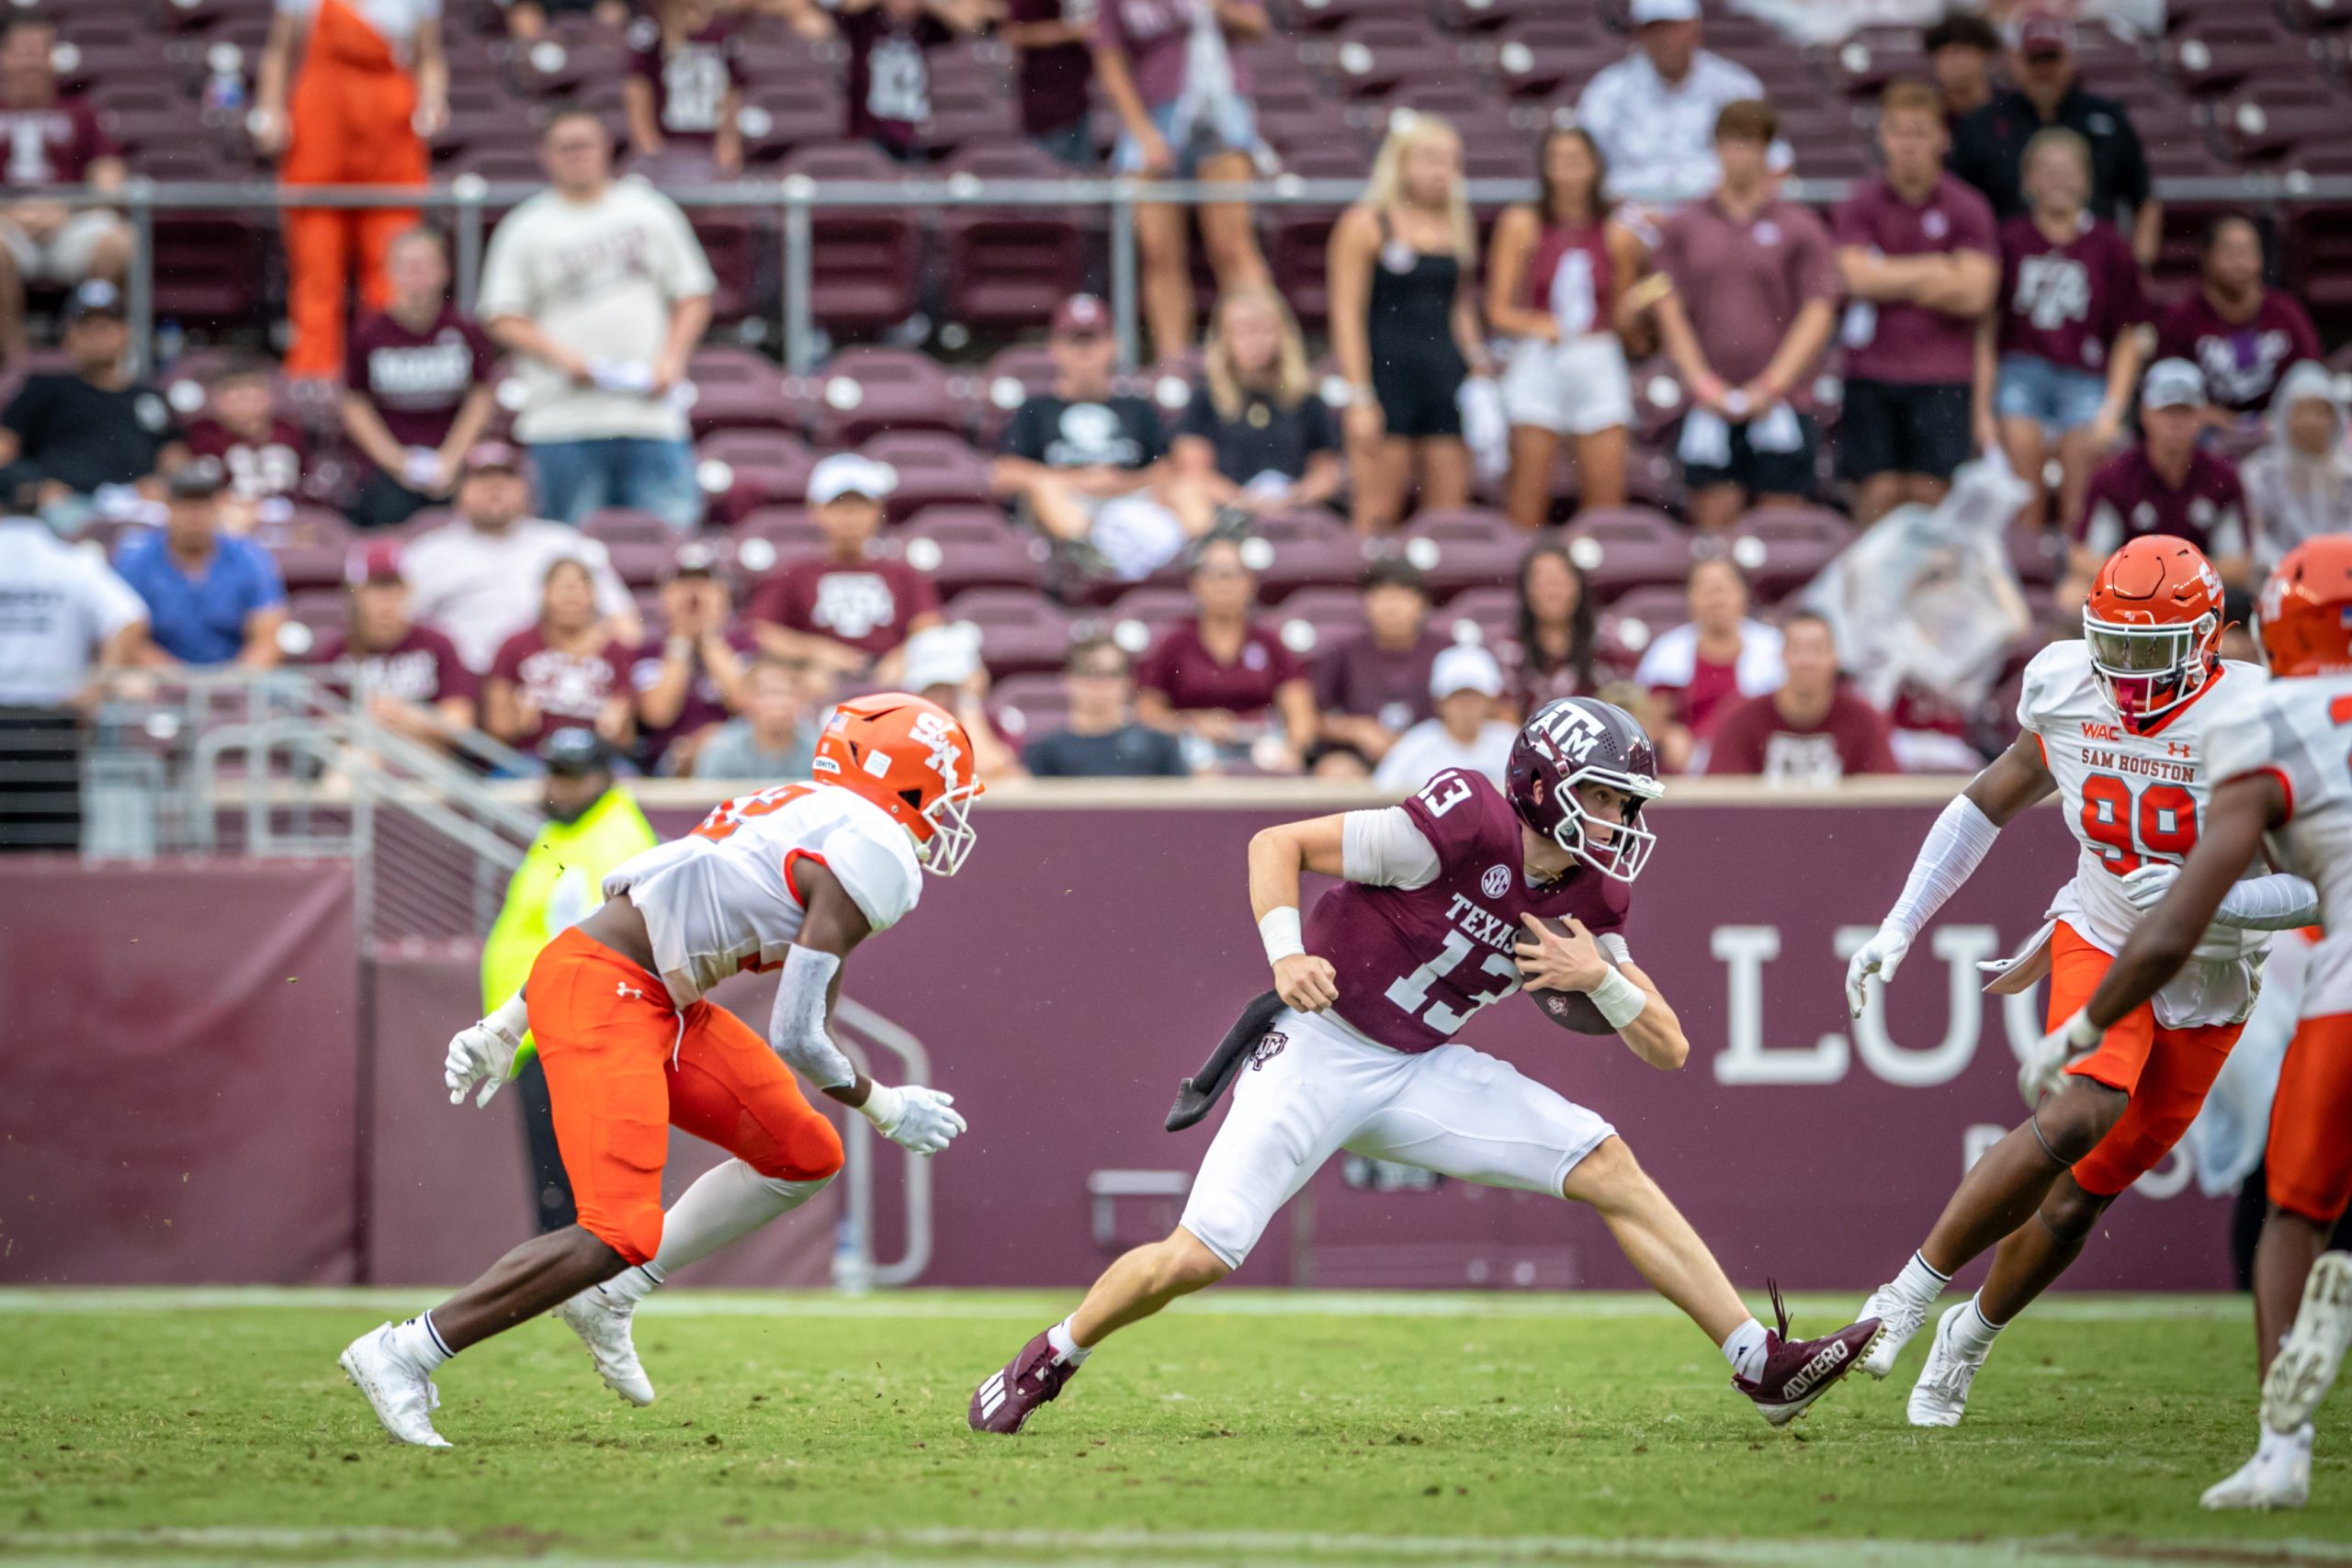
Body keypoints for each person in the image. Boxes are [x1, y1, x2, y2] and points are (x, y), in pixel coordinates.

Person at [967, 696, 1881, 1436]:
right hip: (1318, 1050)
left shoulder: (1592, 895)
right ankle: (1053, 1353)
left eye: (1627, 803)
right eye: (1604, 797)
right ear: (1543, 784)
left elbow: (1669, 1047)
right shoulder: (1458, 824)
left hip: (1417, 1067)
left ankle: (1758, 1363)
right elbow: (1273, 846)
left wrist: (1599, 975)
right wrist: (1286, 955)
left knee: (1608, 1165)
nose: (1619, 820)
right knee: (1196, 1257)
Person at [344, 694, 979, 1444]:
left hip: (646, 992)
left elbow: (641, 900)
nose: (945, 813)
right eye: (939, 790)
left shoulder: (803, 809)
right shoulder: (871, 848)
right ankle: (405, 1349)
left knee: (804, 1153)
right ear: (901, 779)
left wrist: (506, 1019)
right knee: (618, 1227)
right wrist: (885, 1106)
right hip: (609, 990)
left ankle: (612, 1295)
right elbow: (800, 1036)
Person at [1845, 535, 2310, 1430]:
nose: (2127, 673)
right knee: (2076, 1110)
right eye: (2115, 647)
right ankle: (1905, 1294)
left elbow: (2322, 884)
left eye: (2150, 653)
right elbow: (1986, 800)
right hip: (2098, 931)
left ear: (2207, 642)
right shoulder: (2066, 685)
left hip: (2208, 977)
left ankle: (1967, 1340)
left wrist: (2208, 904)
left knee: (2080, 1195)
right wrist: (1899, 924)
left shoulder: (2255, 717)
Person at [2045, 541, 2352, 1509]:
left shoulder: (2270, 717)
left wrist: (2084, 1020)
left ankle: (2282, 1448)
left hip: (2339, 989)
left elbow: (2181, 916)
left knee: (2292, 1212)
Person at [476, 107, 715, 532]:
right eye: (565, 147)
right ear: (545, 155)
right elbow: (501, 313)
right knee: (569, 549)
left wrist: (673, 360)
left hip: (650, 415)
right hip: (563, 418)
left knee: (668, 541)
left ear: (607, 148)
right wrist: (562, 357)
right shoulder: (526, 226)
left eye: (585, 144)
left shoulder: (648, 210)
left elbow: (693, 294)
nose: (577, 155)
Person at [481, 728, 661, 1235]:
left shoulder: (613, 838)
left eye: (573, 775)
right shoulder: (565, 832)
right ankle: (579, 1293)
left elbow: (605, 946)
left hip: (576, 1033)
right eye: (554, 771)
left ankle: (594, 1292)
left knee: (574, 1196)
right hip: (541, 1031)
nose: (559, 784)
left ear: (602, 777)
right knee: (557, 1189)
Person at [1650, 102, 1840, 533]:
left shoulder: (1800, 226)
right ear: (1716, 148)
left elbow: (1817, 310)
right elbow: (1669, 308)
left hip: (1784, 402)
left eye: (1750, 143)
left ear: (1767, 150)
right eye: (1731, 142)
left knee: (1782, 537)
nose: (1739, 154)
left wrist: (1771, 385)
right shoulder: (1684, 225)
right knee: (1713, 531)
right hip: (1707, 403)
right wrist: (1702, 382)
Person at [1833, 81, 1999, 525]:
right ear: (1883, 137)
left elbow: (1978, 292)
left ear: (1942, 137)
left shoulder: (1968, 207)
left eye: (1920, 131)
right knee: (1877, 493)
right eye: (1899, 131)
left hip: (1943, 375)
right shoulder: (1860, 204)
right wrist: (1942, 269)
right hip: (1871, 373)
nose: (1909, 143)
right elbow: (1854, 276)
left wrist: (1888, 274)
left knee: (1933, 495)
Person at [254, 0, 447, 381]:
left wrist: (433, 102)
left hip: (389, 136)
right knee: (316, 270)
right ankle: (312, 377)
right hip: (320, 135)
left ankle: (387, 370)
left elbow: (429, 57)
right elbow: (279, 52)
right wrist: (270, 110)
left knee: (391, 266)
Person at [1979, 127, 2150, 534]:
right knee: (2022, 475)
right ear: (2029, 180)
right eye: (2047, 170)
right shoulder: (2010, 239)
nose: (2058, 180)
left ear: (2086, 180)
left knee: (2083, 478)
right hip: (2021, 369)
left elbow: (2130, 335)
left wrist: (2113, 408)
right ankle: (2030, 571)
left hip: (2085, 376)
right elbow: (1987, 330)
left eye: (2068, 170)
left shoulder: (2110, 246)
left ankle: (2074, 578)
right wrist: (1983, 413)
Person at [1329, 114, 1493, 535]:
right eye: (1432, 159)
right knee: (1377, 513)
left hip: (1444, 378)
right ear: (1400, 163)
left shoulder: (1457, 224)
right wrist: (1359, 395)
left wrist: (1478, 364)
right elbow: (1345, 314)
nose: (1443, 172)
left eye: (1452, 162)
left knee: (1449, 518)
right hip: (1387, 380)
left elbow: (1459, 306)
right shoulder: (1365, 223)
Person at [1094, 0, 1272, 365]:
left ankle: (1261, 361)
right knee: (1160, 252)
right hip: (1154, 115)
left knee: (1233, 246)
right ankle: (1171, 364)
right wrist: (1144, 135)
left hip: (1222, 112)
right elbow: (1109, 63)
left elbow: (1257, 26)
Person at [1487, 127, 1645, 528]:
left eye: (1576, 160)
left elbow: (1623, 317)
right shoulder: (1522, 223)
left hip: (1597, 352)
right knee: (1528, 485)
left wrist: (1635, 317)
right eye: (1558, 160)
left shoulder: (1618, 233)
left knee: (1606, 489)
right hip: (1541, 352)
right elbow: (1499, 309)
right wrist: (1538, 323)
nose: (1568, 171)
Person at [0, 463, 148, 852]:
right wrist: (98, 684)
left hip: (31, 714)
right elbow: (129, 618)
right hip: (51, 725)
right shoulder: (72, 563)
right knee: (51, 865)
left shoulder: (72, 561)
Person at [1950, 4, 2158, 267]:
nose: (2043, 70)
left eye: (2052, 57)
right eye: (2034, 59)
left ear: (2071, 57)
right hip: (2007, 271)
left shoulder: (2108, 118)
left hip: (2095, 270)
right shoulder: (1982, 124)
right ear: (2014, 59)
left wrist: (2136, 268)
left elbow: (2145, 199)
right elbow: (1955, 202)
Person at [401, 444, 638, 672]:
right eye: (482, 478)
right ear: (460, 489)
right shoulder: (426, 553)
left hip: (549, 683)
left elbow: (626, 626)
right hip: (461, 683)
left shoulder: (564, 543)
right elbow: (392, 632)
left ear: (527, 488)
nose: (495, 487)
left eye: (507, 478)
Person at [991, 295, 1181, 581]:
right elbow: (1003, 473)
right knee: (1045, 487)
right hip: (1069, 505)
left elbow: (1168, 468)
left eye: (1092, 340)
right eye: (1074, 341)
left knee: (1186, 488)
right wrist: (1075, 481)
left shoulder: (1137, 408)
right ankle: (1088, 550)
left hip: (1130, 503)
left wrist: (1120, 483)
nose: (1084, 351)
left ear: (1112, 345)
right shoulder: (1036, 409)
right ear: (1055, 348)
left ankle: (1195, 555)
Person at [343, 228, 500, 529]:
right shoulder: (368, 332)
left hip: (456, 466)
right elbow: (354, 401)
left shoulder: (466, 330)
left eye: (425, 264)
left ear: (445, 271)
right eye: (406, 265)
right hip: (388, 471)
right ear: (389, 271)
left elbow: (480, 396)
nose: (416, 274)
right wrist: (396, 461)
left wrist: (452, 459)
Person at [0, 281, 187, 535]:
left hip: (136, 509)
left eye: (108, 324)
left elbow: (174, 457)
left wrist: (166, 484)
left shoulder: (149, 397)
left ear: (127, 331)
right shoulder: (43, 388)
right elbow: (4, 449)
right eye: (86, 325)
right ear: (68, 336)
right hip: (64, 510)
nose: (99, 333)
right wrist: (32, 485)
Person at [2060, 360, 2250, 606]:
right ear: (2145, 414)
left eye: (2185, 411)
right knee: (2071, 596)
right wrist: (2149, 583)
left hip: (2197, 595)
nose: (2175, 421)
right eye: (2166, 410)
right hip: (2128, 592)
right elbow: (2083, 556)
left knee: (2249, 600)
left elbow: (2239, 565)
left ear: (2202, 415)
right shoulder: (2113, 476)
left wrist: (2170, 584)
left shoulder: (2223, 478)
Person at [0, 13, 130, 367]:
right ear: (3, 55)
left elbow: (109, 179)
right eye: (23, 51)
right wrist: (11, 213)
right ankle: (16, 363)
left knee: (117, 245)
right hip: (5, 223)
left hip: (70, 218)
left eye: (41, 50)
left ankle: (91, 361)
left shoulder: (81, 113)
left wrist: (68, 208)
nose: (32, 61)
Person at [748, 453, 940, 682]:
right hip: (819, 680)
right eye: (838, 506)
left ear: (878, 511)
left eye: (859, 506)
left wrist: (902, 657)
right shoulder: (796, 574)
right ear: (815, 510)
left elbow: (928, 626)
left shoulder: (903, 574)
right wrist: (814, 651)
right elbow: (762, 632)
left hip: (890, 680)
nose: (849, 517)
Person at [1134, 536, 1317, 773]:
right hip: (1194, 752)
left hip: (1260, 748)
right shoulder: (1174, 645)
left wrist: (1292, 749)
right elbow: (1147, 713)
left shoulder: (1270, 643)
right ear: (1196, 582)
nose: (1225, 583)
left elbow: (1300, 712)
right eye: (1214, 573)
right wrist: (1193, 724)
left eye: (1234, 573)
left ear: (1250, 583)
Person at [1166, 289, 1342, 533]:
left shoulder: (1307, 399)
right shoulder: (1205, 399)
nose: (1253, 340)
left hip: (1294, 511)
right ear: (1223, 338)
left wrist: (1293, 496)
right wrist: (1244, 501)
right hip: (1227, 513)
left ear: (1283, 334)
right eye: (1241, 330)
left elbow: (1327, 472)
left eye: (1262, 329)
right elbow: (1193, 473)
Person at [1574, 0, 1775, 209]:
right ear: (1638, 33)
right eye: (1653, 29)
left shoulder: (1736, 87)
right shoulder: (1606, 91)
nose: (1664, 38)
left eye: (1672, 27)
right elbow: (1581, 167)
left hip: (1716, 218)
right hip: (1629, 218)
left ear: (1695, 28)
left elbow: (1776, 162)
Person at [2154, 217, 2324, 429]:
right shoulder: (2181, 318)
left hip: (2278, 428)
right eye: (2230, 252)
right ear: (2206, 257)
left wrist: (2276, 419)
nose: (2239, 261)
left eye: (2246, 252)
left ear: (2261, 258)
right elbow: (2167, 387)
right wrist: (2209, 415)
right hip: (2204, 433)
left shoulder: (2287, 312)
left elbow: (2311, 377)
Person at [113, 463, 288, 671]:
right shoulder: (137, 560)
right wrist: (181, 683)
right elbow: (125, 637)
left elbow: (267, 637)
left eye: (203, 506)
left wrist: (232, 682)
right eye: (185, 506)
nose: (194, 517)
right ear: (169, 507)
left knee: (287, 689)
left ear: (217, 508)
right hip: (159, 683)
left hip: (235, 682)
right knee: (130, 686)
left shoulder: (249, 558)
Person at [1699, 612, 1899, 782]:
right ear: (1782, 655)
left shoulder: (1865, 720)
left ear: (1835, 658)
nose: (1807, 661)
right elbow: (1720, 802)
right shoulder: (1740, 719)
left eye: (1818, 649)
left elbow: (1888, 799)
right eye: (1797, 649)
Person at [314, 540, 478, 750]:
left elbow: (460, 724)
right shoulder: (335, 652)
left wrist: (406, 716)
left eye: (394, 587)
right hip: (362, 756)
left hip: (429, 762)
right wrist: (368, 721)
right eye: (374, 588)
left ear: (409, 590)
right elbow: (321, 725)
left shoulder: (438, 645)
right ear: (354, 593)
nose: (386, 600)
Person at [1632, 555, 1784, 774]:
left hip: (1760, 767)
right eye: (1705, 589)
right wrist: (1665, 736)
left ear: (1744, 596)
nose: (1716, 597)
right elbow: (1641, 720)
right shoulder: (1666, 652)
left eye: (1724, 587)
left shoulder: (1775, 648)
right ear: (1689, 599)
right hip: (1686, 772)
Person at [484, 558, 639, 752]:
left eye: (579, 586)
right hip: (531, 757)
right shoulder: (514, 646)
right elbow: (496, 730)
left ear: (593, 595)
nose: (571, 594)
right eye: (562, 587)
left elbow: (628, 741)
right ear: (545, 593)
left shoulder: (617, 650)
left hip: (596, 760)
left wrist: (616, 726)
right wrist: (517, 722)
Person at [1311, 559, 1448, 773]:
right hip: (1360, 760)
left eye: (1402, 596)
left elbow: (1476, 710)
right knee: (1335, 770)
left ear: (1422, 603)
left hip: (1432, 757)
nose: (1392, 607)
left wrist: (1417, 742)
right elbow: (1315, 717)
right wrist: (1357, 730)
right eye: (1382, 596)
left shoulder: (1445, 652)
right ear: (1365, 602)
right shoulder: (1343, 652)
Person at [631, 541, 752, 776]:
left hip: (742, 759)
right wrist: (680, 641)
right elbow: (658, 714)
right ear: (664, 596)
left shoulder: (745, 646)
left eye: (705, 583)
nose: (694, 593)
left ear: (724, 594)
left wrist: (710, 639)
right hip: (667, 763)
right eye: (683, 583)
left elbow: (745, 704)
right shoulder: (647, 651)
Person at [837, 0, 985, 163]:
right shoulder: (865, 23)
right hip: (870, 135)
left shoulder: (926, 26)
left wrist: (932, 6)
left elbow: (970, 25)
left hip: (914, 136)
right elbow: (841, 11)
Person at [1021, 637, 1191, 777]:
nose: (1100, 683)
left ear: (1129, 682)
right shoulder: (1045, 751)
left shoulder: (1159, 746)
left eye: (1112, 673)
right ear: (1066, 679)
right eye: (1087, 672)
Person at [183, 355, 313, 534]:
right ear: (217, 400)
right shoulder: (204, 435)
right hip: (232, 521)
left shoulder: (290, 432)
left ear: (267, 397)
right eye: (234, 395)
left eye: (251, 393)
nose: (243, 403)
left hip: (291, 520)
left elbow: (310, 483)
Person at [2244, 363, 2352, 575]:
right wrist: (2293, 569)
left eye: (2319, 411)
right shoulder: (2260, 473)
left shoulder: (2348, 473)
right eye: (2301, 411)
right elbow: (2253, 539)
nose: (2311, 421)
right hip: (2279, 580)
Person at [624, 0, 745, 177]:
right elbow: (637, 86)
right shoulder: (650, 27)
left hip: (709, 141)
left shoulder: (723, 29)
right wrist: (645, 138)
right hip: (665, 140)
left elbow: (731, 90)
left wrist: (728, 141)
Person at [1370, 645, 1515, 793]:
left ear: (1491, 701)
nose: (1466, 706)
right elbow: (1381, 792)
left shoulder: (1510, 743)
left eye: (1474, 697)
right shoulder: (1415, 745)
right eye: (1457, 697)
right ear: (1439, 702)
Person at [900, 622, 1023, 782]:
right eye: (934, 688)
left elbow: (988, 767)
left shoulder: (998, 722)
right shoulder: (901, 725)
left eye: (950, 687)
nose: (941, 698)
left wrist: (968, 703)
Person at [1500, 540, 1601, 716]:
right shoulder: (1509, 650)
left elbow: (1627, 710)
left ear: (1578, 585)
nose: (1553, 591)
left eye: (1560, 580)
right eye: (1543, 582)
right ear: (1526, 589)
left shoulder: (1608, 642)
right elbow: (1504, 719)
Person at [692, 656, 825, 781]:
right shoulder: (722, 750)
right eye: (767, 693)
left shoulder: (820, 751)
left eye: (786, 693)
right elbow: (708, 803)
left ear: (801, 699)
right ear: (746, 699)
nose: (777, 702)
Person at [1001, 0, 1095, 167]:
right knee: (1052, 183)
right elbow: (1014, 33)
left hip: (1077, 102)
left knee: (1082, 183)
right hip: (1047, 106)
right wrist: (1076, 32)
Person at [1922, 10, 2002, 126]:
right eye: (1944, 55)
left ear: (1985, 55)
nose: (1954, 62)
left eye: (1961, 52)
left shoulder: (2012, 109)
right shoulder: (1929, 114)